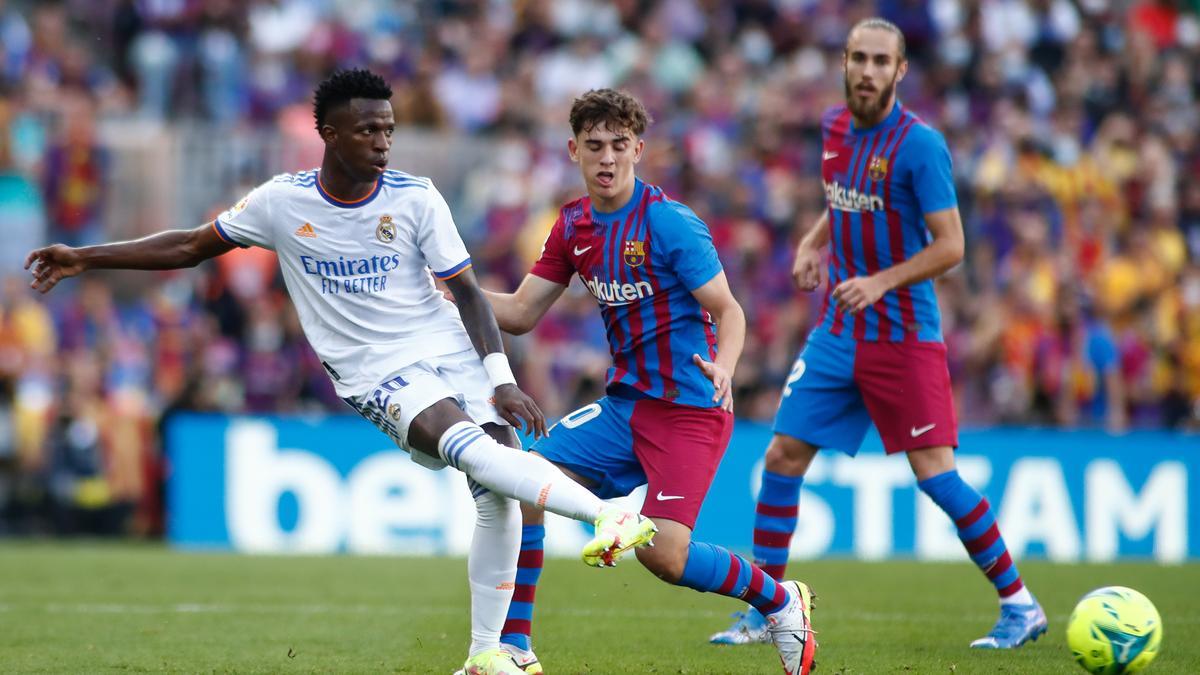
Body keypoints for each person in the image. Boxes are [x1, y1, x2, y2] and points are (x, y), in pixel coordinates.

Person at [24, 68, 656, 675]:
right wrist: (85, 256)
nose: (382, 144)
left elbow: (465, 292)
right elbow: (191, 246)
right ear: (329, 134)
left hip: (448, 347)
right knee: (472, 454)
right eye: (367, 132)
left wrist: (499, 375)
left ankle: (487, 654)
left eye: (388, 131)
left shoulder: (415, 197)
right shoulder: (281, 202)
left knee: (495, 492)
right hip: (374, 371)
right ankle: (603, 513)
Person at [707, 18, 1047, 651]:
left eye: (879, 60)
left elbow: (952, 246)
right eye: (858, 58)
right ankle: (767, 611)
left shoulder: (921, 146)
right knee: (781, 457)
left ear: (900, 70)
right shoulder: (836, 128)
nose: (867, 70)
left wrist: (882, 281)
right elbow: (845, 199)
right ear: (844, 62)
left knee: (937, 475)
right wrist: (813, 242)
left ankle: (1020, 604)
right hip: (839, 331)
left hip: (902, 334)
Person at [485, 89, 816, 675]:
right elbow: (517, 313)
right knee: (520, 483)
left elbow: (729, 310)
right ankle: (514, 649)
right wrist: (447, 291)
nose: (607, 158)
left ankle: (779, 600)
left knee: (664, 557)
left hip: (690, 409)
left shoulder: (669, 223)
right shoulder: (572, 226)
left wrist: (726, 365)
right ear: (573, 151)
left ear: (639, 149)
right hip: (623, 409)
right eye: (594, 146)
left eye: (618, 145)